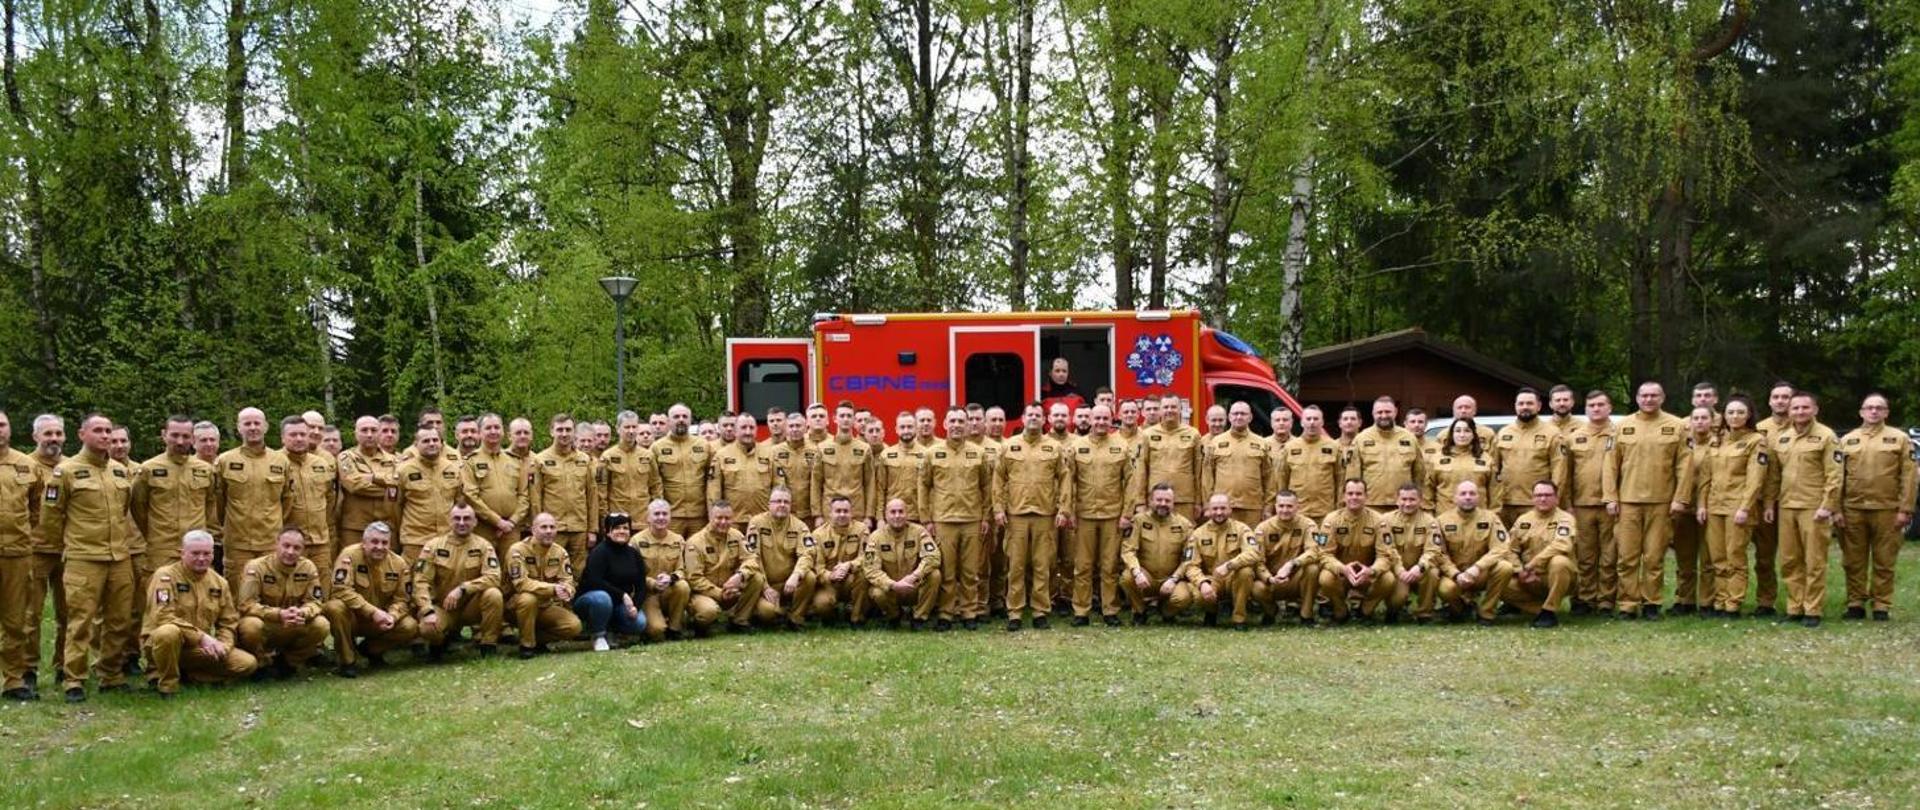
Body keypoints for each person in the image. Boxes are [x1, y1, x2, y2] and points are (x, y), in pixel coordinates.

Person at [44, 414, 137, 702]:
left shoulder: (120, 472)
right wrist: (71, 546)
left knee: (119, 620)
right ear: (82, 434)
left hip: (118, 557)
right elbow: (51, 517)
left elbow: (124, 511)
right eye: (98, 430)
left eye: (108, 430)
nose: (105, 436)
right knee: (80, 621)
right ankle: (74, 679)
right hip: (84, 558)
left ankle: (111, 674)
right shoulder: (66, 471)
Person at [1602, 382, 1693, 620]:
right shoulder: (1621, 427)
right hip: (1628, 502)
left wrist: (1680, 498)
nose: (1649, 399)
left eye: (1654, 395)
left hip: (1662, 503)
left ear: (1662, 398)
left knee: (1654, 557)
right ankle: (1628, 604)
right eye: (1644, 395)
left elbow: (1685, 466)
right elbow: (1610, 466)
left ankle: (1651, 603)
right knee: (1627, 558)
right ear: (1637, 398)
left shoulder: (1677, 426)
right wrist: (1610, 497)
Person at [141, 531, 256, 697]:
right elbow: (163, 616)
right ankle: (167, 686)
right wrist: (202, 638)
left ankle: (190, 675)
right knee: (168, 632)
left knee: (247, 663)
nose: (201, 558)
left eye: (206, 553)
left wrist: (223, 646)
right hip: (164, 644)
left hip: (196, 649)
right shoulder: (165, 577)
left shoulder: (219, 583)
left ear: (213, 554)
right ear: (182, 553)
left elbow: (228, 622)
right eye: (195, 553)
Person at [1837, 393, 1917, 621]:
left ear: (1886, 413)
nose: (1874, 411)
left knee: (1885, 560)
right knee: (1853, 560)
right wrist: (1837, 509)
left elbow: (1909, 477)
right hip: (1853, 508)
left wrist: (1905, 509)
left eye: (1879, 408)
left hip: (1888, 509)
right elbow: (1837, 477)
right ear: (1861, 412)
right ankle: (1855, 603)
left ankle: (1881, 604)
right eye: (1869, 407)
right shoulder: (1847, 440)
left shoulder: (1900, 439)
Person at [1768, 391, 1842, 627]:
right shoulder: (1783, 438)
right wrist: (1770, 503)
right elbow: (1774, 476)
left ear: (1815, 410)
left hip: (1813, 508)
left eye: (1805, 407)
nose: (1800, 412)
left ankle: (1813, 610)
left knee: (1814, 561)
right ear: (1789, 411)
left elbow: (1834, 475)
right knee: (1790, 560)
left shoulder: (1826, 436)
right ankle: (1795, 607)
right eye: (1795, 408)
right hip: (1787, 506)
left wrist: (1828, 506)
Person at [996, 403, 1070, 630]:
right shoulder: (1008, 446)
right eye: (1030, 415)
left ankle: (1040, 611)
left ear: (1044, 419)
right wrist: (998, 508)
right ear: (1023, 418)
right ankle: (1015, 612)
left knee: (1042, 565)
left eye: (1038, 415)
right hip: (1016, 515)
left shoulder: (1054, 448)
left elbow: (1064, 479)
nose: (1034, 418)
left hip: (1045, 515)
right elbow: (998, 480)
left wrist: (1063, 509)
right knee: (1015, 566)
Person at [920, 409, 992, 630]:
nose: (957, 425)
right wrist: (926, 519)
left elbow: (986, 487)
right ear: (945, 424)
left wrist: (985, 516)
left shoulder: (978, 453)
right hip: (944, 520)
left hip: (972, 519)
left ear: (967, 424)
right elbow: (923, 486)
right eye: (953, 421)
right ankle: (946, 613)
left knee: (970, 571)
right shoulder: (932, 453)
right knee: (947, 572)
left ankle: (969, 612)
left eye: (961, 421)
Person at [1694, 396, 1766, 618]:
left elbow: (1755, 479)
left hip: (1738, 507)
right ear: (1724, 415)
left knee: (1735, 557)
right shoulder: (1717, 440)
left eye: (1740, 412)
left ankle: (1733, 603)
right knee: (1717, 558)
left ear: (1749, 415)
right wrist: (1701, 504)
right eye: (1731, 412)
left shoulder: (1756, 441)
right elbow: (1706, 476)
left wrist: (1745, 508)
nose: (1735, 416)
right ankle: (1720, 601)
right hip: (1715, 506)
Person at [322, 522, 418, 677]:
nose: (379, 547)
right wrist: (372, 612)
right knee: (334, 607)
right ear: (364, 542)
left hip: (380, 622)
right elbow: (341, 590)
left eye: (384, 542)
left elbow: (402, 599)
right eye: (374, 542)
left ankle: (371, 649)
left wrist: (392, 616)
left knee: (409, 626)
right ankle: (347, 662)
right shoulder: (349, 555)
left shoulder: (399, 564)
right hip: (353, 618)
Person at [412, 503, 505, 658]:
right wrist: (427, 611)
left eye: (467, 518)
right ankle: (439, 643)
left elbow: (494, 577)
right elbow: (420, 582)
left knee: (494, 594)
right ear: (449, 521)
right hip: (443, 607)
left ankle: (488, 644)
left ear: (475, 522)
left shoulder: (484, 546)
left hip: (470, 606)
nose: (462, 523)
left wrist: (463, 588)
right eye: (457, 518)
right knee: (428, 628)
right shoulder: (433, 546)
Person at [236, 527, 330, 676]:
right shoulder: (256, 567)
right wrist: (279, 614)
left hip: (294, 622)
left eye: (297, 548)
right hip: (266, 623)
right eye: (286, 546)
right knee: (251, 626)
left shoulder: (308, 567)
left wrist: (303, 612)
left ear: (303, 550)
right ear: (276, 544)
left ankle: (288, 662)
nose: (290, 552)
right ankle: (261, 664)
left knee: (321, 625)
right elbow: (246, 604)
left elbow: (316, 602)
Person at [1067, 404, 1130, 626]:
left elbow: (1130, 482)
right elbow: (1068, 482)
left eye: (1105, 418)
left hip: (1112, 515)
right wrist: (1069, 510)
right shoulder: (1077, 446)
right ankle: (1081, 611)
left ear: (1111, 420)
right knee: (1083, 566)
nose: (1101, 422)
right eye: (1097, 418)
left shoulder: (1121, 447)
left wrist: (1127, 514)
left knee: (1109, 566)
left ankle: (1110, 610)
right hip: (1084, 515)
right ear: (1090, 420)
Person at [214, 407, 293, 580]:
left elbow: (287, 500)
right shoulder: (225, 461)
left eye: (257, 423)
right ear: (238, 427)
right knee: (237, 588)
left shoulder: (281, 461)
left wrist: (275, 524)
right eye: (247, 423)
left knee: (271, 588)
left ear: (266, 427)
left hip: (271, 541)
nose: (252, 427)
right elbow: (218, 502)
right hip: (237, 543)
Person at [1311, 479, 1398, 623]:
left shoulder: (1379, 520)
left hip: (1367, 575)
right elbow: (1324, 553)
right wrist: (1342, 569)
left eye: (1359, 494)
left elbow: (1385, 554)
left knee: (1388, 578)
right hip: (1341, 574)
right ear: (1343, 496)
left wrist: (1372, 571)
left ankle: (1365, 611)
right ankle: (1340, 610)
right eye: (1350, 493)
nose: (1354, 497)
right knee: (1325, 577)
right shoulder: (1331, 519)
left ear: (1366, 497)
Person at [1431, 480, 1514, 626]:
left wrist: (1477, 567)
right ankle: (1460, 609)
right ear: (1455, 498)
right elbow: (1439, 553)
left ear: (1478, 497)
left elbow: (1501, 547)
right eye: (1463, 494)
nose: (1468, 497)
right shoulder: (1441, 521)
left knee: (1505, 567)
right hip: (1454, 575)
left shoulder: (1491, 518)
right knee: (1446, 589)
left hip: (1480, 573)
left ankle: (1486, 613)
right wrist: (1455, 574)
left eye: (1472, 493)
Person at [1564, 391, 1618, 615]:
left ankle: (1606, 600)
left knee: (1609, 556)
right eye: (1592, 405)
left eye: (1600, 405)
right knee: (1585, 556)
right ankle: (1585, 599)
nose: (1596, 409)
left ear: (1609, 408)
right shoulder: (1574, 437)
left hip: (1610, 506)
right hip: (1582, 505)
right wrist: (1568, 504)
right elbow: (1566, 474)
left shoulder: (1619, 434)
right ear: (1585, 409)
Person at [0, 412, 41, 701]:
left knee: (15, 621)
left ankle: (13, 679)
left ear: (10, 429)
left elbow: (36, 509)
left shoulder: (27, 464)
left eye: (1, 425)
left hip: (16, 553)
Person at [504, 512, 582, 658]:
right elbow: (521, 583)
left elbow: (567, 579)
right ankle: (526, 646)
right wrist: (553, 589)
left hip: (545, 605)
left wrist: (567, 590)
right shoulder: (517, 550)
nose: (548, 531)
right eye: (544, 527)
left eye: (552, 527)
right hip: (515, 606)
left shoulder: (560, 552)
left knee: (573, 626)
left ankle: (535, 639)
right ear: (533, 530)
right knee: (528, 599)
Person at [1501, 481, 1578, 628]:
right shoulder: (1523, 520)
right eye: (1539, 495)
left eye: (1548, 495)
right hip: (1528, 578)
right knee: (1499, 577)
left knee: (1559, 562)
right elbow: (1510, 550)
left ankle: (1549, 611)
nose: (1543, 499)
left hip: (1557, 577)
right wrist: (1520, 571)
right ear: (1532, 498)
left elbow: (1562, 544)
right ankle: (1539, 610)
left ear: (1556, 498)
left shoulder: (1565, 519)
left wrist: (1532, 565)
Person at [684, 500, 766, 635]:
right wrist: (719, 593)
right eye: (719, 518)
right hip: (705, 593)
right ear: (710, 518)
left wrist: (740, 575)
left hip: (731, 589)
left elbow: (752, 559)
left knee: (756, 578)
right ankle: (698, 627)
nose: (723, 522)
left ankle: (739, 621)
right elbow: (694, 579)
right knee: (708, 611)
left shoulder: (737, 536)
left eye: (727, 518)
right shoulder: (695, 542)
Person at [1119, 484, 1197, 623]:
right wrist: (1137, 572)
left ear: (1173, 503)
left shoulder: (1184, 525)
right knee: (1127, 577)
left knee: (1183, 598)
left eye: (1167, 501)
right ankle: (1139, 612)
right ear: (1150, 501)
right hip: (1146, 578)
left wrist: (1174, 578)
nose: (1163, 504)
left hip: (1172, 579)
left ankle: (1166, 611)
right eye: (1159, 500)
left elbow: (1188, 558)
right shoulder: (1139, 521)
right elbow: (1128, 550)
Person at [1490, 388, 1569, 525]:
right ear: (1515, 406)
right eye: (1521, 403)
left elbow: (1559, 471)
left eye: (1529, 403)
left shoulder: (1552, 434)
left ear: (1539, 406)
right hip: (1505, 503)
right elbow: (1493, 468)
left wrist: (1553, 499)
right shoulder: (1504, 432)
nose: (1525, 407)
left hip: (1537, 503)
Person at [528, 414, 597, 567]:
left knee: (579, 570)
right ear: (551, 431)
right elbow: (535, 498)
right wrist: (538, 528)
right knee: (550, 568)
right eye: (560, 430)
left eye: (568, 429)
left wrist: (592, 530)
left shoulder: (584, 460)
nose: (564, 434)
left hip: (579, 528)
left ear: (574, 432)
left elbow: (592, 496)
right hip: (552, 528)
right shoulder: (540, 460)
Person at [1183, 494, 1261, 630]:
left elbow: (1253, 553)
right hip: (1212, 579)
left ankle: (1239, 618)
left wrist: (1230, 565)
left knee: (1246, 572)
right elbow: (1190, 565)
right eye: (1215, 509)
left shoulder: (1242, 529)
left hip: (1234, 578)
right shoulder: (1198, 534)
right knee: (1199, 594)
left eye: (1223, 508)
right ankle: (1211, 612)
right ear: (1209, 510)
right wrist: (1202, 583)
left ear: (1230, 509)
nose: (1219, 512)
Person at [861, 498, 941, 628]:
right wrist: (893, 585)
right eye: (893, 512)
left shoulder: (919, 531)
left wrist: (913, 576)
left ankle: (919, 618)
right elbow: (871, 569)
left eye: (901, 511)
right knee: (876, 592)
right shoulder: (876, 537)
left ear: (907, 514)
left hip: (913, 586)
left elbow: (933, 557)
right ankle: (894, 615)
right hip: (890, 590)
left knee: (935, 575)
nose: (897, 516)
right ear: (886, 515)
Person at [747, 486, 818, 629]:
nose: (782, 505)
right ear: (769, 504)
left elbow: (808, 554)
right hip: (766, 584)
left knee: (809, 576)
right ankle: (770, 612)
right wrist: (765, 587)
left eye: (786, 502)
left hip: (789, 584)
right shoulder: (757, 523)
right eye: (778, 501)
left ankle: (795, 618)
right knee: (768, 613)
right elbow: (752, 557)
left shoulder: (800, 526)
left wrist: (796, 575)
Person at [573, 512, 648, 650]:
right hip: (591, 601)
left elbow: (641, 585)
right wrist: (622, 595)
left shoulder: (634, 554)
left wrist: (635, 607)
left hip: (618, 604)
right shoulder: (599, 552)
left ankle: (612, 630)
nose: (622, 531)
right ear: (608, 531)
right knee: (602, 598)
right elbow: (594, 581)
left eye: (625, 528)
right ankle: (598, 635)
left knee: (639, 623)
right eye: (617, 528)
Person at [462, 413, 528, 563]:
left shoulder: (515, 460)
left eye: (497, 427)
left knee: (511, 568)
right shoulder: (470, 461)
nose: (493, 431)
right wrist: (497, 522)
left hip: (511, 529)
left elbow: (524, 496)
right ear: (479, 433)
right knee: (483, 567)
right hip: (483, 528)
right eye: (488, 428)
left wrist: (512, 522)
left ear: (503, 432)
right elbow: (470, 496)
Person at [1202, 402, 1277, 529]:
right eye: (1235, 413)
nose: (1239, 417)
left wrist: (1268, 508)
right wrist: (1208, 505)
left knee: (1251, 540)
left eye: (1243, 414)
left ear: (1250, 417)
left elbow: (1269, 478)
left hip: (1253, 508)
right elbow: (1207, 477)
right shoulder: (1215, 443)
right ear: (1229, 417)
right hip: (1223, 507)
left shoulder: (1262, 444)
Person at [1250, 490, 1319, 626]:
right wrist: (1269, 578)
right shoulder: (1262, 529)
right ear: (1275, 507)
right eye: (1281, 506)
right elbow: (1257, 560)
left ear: (1297, 507)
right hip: (1272, 581)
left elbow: (1314, 551)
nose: (1285, 510)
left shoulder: (1308, 525)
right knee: (1255, 587)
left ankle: (1306, 614)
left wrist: (1292, 564)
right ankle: (1270, 611)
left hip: (1296, 579)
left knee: (1313, 569)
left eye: (1289, 506)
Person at [1347, 397, 1426, 511]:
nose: (1383, 415)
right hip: (1370, 505)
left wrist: (1416, 498)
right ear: (1373, 414)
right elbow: (1353, 476)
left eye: (1388, 412)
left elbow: (1419, 474)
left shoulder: (1409, 438)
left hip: (1403, 504)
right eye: (1379, 412)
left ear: (1395, 412)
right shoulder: (1361, 439)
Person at [1131, 394, 1204, 518]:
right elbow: (1141, 470)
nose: (1169, 410)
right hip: (1156, 499)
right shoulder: (1147, 435)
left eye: (1173, 407)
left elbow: (1199, 471)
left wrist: (1198, 501)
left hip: (1184, 500)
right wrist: (1140, 502)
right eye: (1166, 407)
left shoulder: (1193, 434)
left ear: (1180, 409)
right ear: (1160, 410)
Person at [336, 415, 400, 553]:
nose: (369, 435)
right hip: (355, 528)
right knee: (352, 560)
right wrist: (388, 488)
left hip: (386, 526)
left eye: (374, 430)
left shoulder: (395, 460)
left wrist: (372, 478)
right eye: (364, 430)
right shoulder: (346, 457)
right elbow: (354, 485)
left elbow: (400, 486)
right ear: (355, 433)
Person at [631, 499, 691, 641]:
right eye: (656, 514)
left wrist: (671, 578)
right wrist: (652, 583)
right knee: (656, 631)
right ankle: (654, 624)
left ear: (670, 517)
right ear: (648, 518)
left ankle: (675, 628)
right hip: (647, 594)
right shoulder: (636, 541)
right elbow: (633, 574)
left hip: (669, 590)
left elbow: (683, 569)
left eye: (665, 514)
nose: (661, 517)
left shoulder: (678, 540)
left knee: (683, 586)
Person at [1380, 482, 1440, 623]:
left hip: (1420, 570)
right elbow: (1387, 549)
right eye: (1404, 499)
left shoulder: (1430, 521)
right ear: (1397, 500)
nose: (1407, 503)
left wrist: (1420, 567)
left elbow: (1433, 550)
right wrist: (1400, 570)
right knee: (1398, 598)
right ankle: (1393, 611)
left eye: (1412, 499)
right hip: (1397, 570)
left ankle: (1424, 613)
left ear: (1420, 501)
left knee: (1433, 572)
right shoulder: (1386, 520)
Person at [652, 404, 712, 537]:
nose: (681, 419)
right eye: (676, 417)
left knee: (698, 549)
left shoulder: (704, 446)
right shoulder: (657, 448)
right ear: (668, 421)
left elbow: (712, 481)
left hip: (699, 515)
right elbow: (654, 483)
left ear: (690, 420)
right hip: (671, 516)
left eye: (685, 416)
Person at [813, 403, 878, 524]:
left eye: (849, 416)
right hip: (829, 512)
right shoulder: (822, 448)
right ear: (835, 418)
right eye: (842, 416)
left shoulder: (864, 448)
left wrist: (869, 516)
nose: (846, 419)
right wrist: (817, 514)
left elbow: (870, 483)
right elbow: (816, 483)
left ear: (854, 420)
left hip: (856, 512)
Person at [810, 495, 870, 626]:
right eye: (838, 511)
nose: (842, 514)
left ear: (851, 513)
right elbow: (817, 567)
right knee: (822, 605)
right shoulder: (818, 535)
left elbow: (867, 557)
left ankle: (856, 617)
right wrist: (830, 576)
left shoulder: (862, 530)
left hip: (851, 580)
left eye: (845, 511)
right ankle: (831, 616)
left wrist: (850, 565)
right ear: (830, 513)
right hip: (828, 583)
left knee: (864, 574)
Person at [1277, 406, 1343, 522]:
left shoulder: (1334, 447)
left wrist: (1339, 508)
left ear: (1322, 422)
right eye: (1308, 419)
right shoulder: (1289, 448)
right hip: (1297, 512)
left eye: (1316, 419)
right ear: (1302, 422)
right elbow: (1282, 480)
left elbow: (1340, 481)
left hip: (1326, 512)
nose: (1312, 422)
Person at [708, 413, 775, 519]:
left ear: (756, 430)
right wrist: (715, 518)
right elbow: (714, 493)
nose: (748, 432)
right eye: (743, 427)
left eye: (751, 428)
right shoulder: (721, 456)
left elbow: (779, 488)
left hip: (763, 520)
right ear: (735, 431)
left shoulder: (769, 454)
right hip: (732, 521)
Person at [1425, 418, 1493, 513]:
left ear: (1473, 434)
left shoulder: (1486, 459)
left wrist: (1493, 514)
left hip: (1478, 517)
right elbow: (1428, 490)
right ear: (1451, 434)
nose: (1462, 435)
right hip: (1445, 515)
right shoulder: (1437, 459)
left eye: (1467, 431)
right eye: (1457, 431)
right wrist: (1429, 513)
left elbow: (1495, 491)